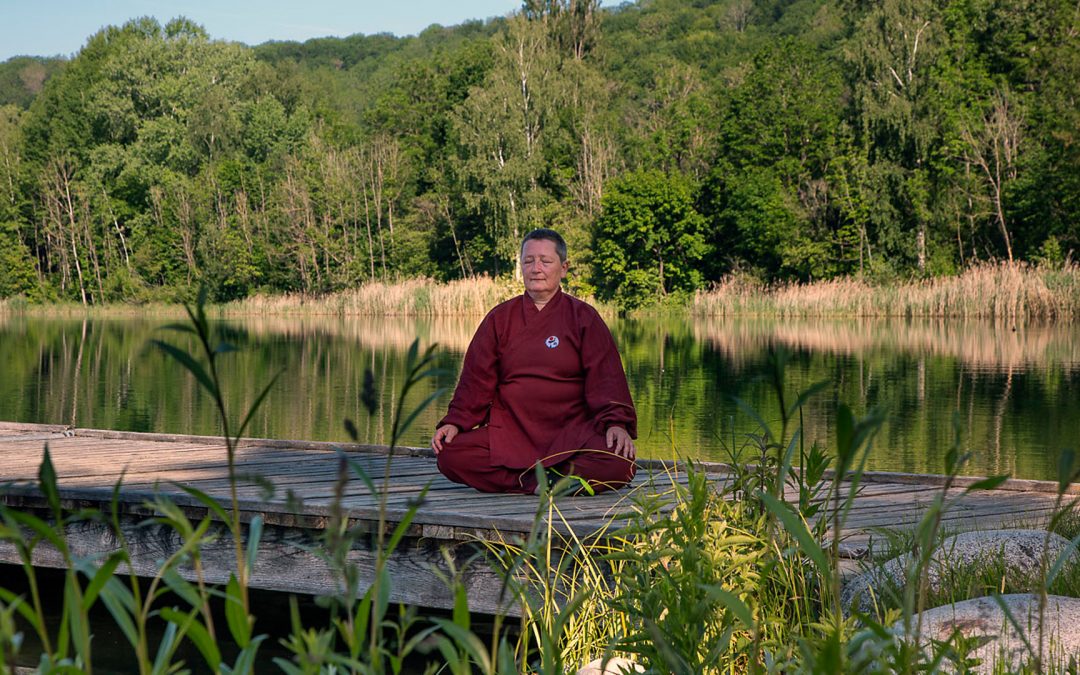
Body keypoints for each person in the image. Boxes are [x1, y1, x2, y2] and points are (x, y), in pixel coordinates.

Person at [432, 228, 637, 495]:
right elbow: (476, 381)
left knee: (621, 462)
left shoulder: (584, 317)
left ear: (563, 268)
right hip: (512, 431)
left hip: (572, 432)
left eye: (545, 261)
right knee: (450, 455)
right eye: (528, 261)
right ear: (521, 268)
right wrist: (456, 422)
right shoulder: (500, 318)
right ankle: (542, 483)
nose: (536, 268)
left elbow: (606, 378)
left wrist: (616, 423)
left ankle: (539, 479)